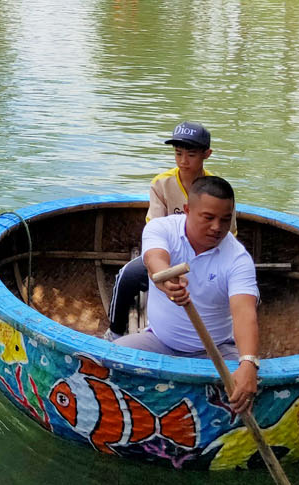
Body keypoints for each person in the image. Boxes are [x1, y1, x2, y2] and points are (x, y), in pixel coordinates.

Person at [118, 176, 260, 413]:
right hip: (158, 341)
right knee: (104, 364)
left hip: (215, 351)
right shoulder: (160, 228)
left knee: (245, 388)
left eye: (225, 220)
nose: (217, 227)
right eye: (208, 218)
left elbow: (244, 312)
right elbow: (155, 259)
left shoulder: (238, 258)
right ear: (187, 210)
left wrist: (249, 362)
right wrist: (164, 278)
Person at [106, 122, 214, 338]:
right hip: (166, 254)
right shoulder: (161, 184)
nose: (183, 161)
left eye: (191, 154)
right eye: (178, 153)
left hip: (203, 257)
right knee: (126, 276)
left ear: (206, 154)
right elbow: (154, 229)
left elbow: (224, 235)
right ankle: (114, 331)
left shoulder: (216, 188)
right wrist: (164, 265)